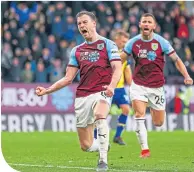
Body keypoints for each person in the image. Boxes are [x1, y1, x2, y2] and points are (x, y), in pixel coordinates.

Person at [35, 11, 122, 171]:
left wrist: (111, 86)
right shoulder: (76, 51)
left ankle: (103, 161)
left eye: (84, 22)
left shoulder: (108, 44)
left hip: (102, 90)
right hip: (83, 96)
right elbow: (68, 78)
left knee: (100, 116)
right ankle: (102, 145)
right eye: (79, 23)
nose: (82, 25)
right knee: (86, 145)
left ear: (94, 23)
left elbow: (117, 68)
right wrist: (47, 90)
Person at [120, 13, 193, 158]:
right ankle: (145, 149)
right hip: (138, 84)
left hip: (157, 87)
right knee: (139, 115)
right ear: (140, 25)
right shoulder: (133, 43)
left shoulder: (162, 42)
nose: (146, 24)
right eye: (144, 22)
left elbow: (177, 60)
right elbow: (119, 59)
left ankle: (153, 110)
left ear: (154, 26)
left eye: (149, 22)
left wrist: (186, 76)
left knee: (158, 122)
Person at [111, 30, 132, 145]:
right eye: (123, 41)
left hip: (119, 89)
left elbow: (128, 74)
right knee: (101, 114)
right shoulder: (108, 51)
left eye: (126, 42)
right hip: (107, 88)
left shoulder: (125, 55)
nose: (125, 44)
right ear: (116, 39)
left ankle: (117, 136)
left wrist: (133, 86)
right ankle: (94, 137)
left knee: (126, 109)